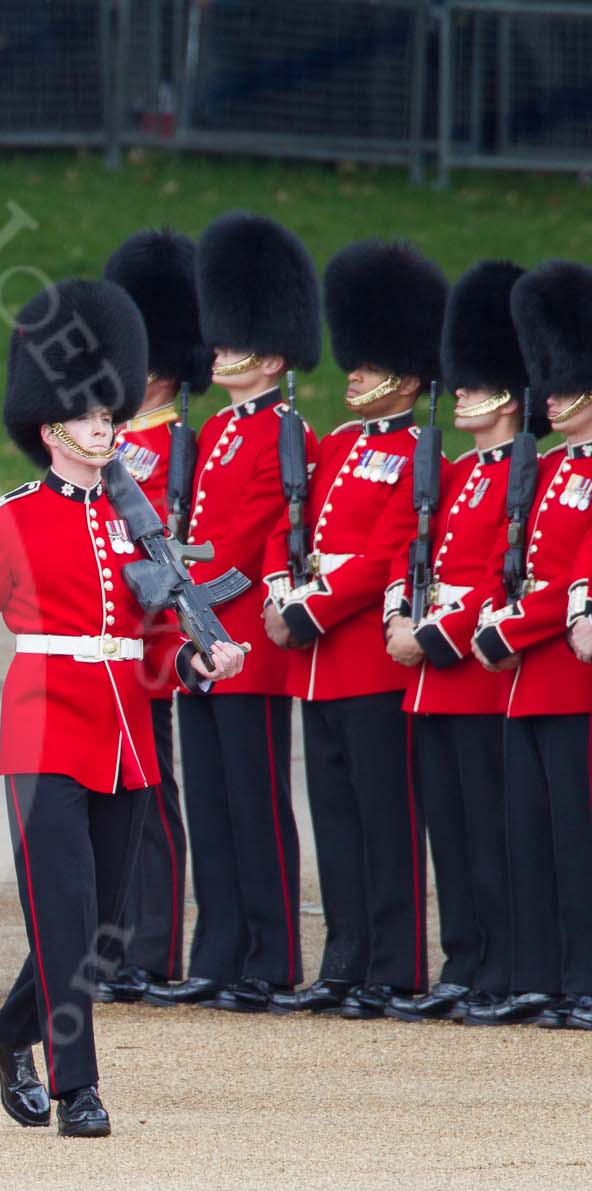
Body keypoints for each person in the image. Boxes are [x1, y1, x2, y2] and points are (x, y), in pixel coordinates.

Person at [0, 279, 244, 1139]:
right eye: (91, 416)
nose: (108, 427)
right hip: (45, 727)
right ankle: (77, 1087)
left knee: (106, 924)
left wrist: (199, 659)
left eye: (112, 414)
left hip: (125, 730)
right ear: (51, 425)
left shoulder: (136, 526)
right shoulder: (9, 524)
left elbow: (151, 643)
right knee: (64, 917)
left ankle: (6, 1035)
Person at [263, 241, 442, 1020]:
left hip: (369, 661)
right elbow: (286, 527)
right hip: (320, 662)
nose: (353, 376)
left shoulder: (415, 455)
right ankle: (344, 959)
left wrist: (309, 606)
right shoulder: (335, 445)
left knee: (384, 816)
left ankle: (393, 964)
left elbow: (386, 557)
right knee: (334, 816)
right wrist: (280, 586)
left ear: (405, 377)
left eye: (367, 367)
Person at [146, 212, 317, 1013]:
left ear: (272, 355)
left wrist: (186, 572)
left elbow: (251, 537)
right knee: (212, 803)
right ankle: (218, 950)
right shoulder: (213, 428)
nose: (218, 351)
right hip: (203, 635)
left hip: (246, 639)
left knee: (253, 799)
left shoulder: (287, 431)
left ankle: (272, 954)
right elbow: (193, 521)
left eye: (235, 340)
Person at [384, 261, 531, 1023]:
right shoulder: (466, 473)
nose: (461, 393)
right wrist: (401, 620)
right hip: (433, 678)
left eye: (473, 385)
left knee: (488, 831)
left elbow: (501, 577)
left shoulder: (519, 476)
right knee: (450, 828)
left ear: (508, 394)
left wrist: (435, 633)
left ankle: (502, 966)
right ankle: (464, 959)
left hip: (475, 674)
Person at [465, 261, 592, 1028]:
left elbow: (577, 576)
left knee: (577, 836)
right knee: (530, 833)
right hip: (523, 678)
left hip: (571, 678)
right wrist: (490, 615)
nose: (547, 393)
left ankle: (584, 974)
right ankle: (541, 973)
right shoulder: (544, 469)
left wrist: (505, 627)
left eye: (562, 378)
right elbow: (504, 555)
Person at [96, 226, 212, 1002]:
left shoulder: (176, 443)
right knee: (108, 788)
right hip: (101, 632)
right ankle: (113, 940)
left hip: (152, 635)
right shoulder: (107, 442)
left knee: (151, 789)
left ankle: (155, 944)